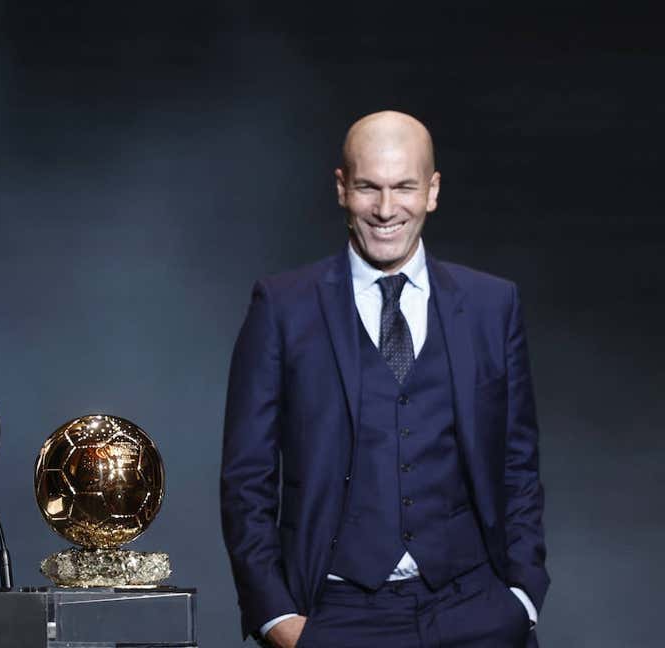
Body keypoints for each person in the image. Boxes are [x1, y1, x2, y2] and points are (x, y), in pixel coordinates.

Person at [221, 111, 547, 647]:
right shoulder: (282, 307)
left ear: (433, 191)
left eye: (404, 187)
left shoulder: (493, 305)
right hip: (338, 613)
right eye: (369, 187)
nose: (386, 208)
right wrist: (276, 616)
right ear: (342, 188)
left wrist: (523, 597)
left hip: (475, 609)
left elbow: (518, 463)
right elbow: (246, 476)